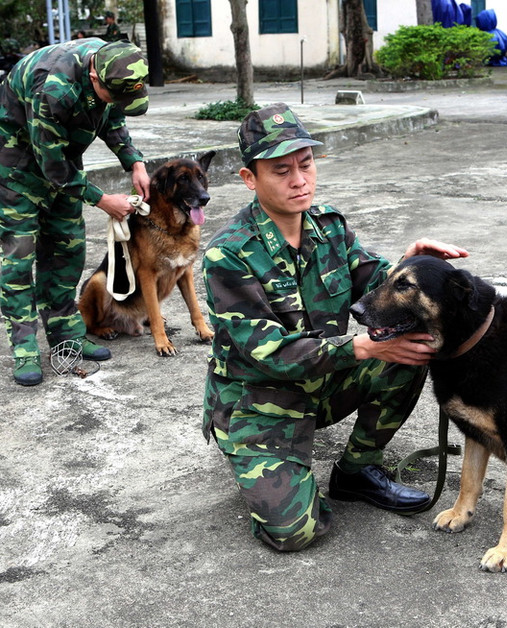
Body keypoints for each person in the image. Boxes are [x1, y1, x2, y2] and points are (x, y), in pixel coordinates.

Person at [201, 103, 469, 551]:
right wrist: (363, 348)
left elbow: (372, 285)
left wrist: (411, 265)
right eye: (281, 170)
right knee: (296, 533)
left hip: (323, 379)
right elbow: (270, 352)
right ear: (250, 179)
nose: (299, 180)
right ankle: (275, 468)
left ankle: (357, 470)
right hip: (260, 398)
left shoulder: (329, 226)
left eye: (305, 165)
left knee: (411, 343)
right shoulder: (229, 255)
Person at [0, 39, 152, 386]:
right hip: (15, 169)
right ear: (94, 76)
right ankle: (25, 348)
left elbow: (112, 115)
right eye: (113, 95)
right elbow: (54, 168)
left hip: (61, 162)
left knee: (67, 251)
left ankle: (66, 336)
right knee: (20, 257)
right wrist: (103, 199)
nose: (117, 102)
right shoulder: (53, 88)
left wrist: (133, 160)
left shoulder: (114, 64)